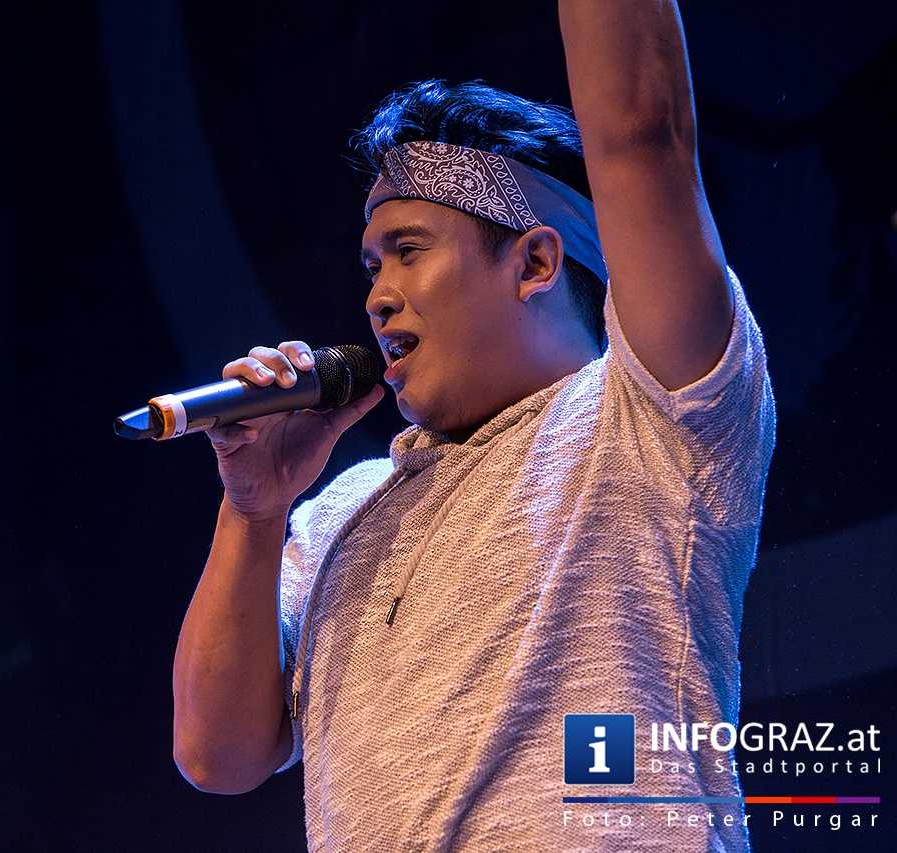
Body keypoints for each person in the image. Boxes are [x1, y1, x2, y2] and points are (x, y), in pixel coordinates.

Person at [172, 3, 775, 850]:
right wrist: (254, 508)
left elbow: (643, 135)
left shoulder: (649, 414)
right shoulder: (343, 510)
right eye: (372, 265)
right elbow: (216, 753)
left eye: (410, 250)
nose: (377, 296)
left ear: (535, 262)